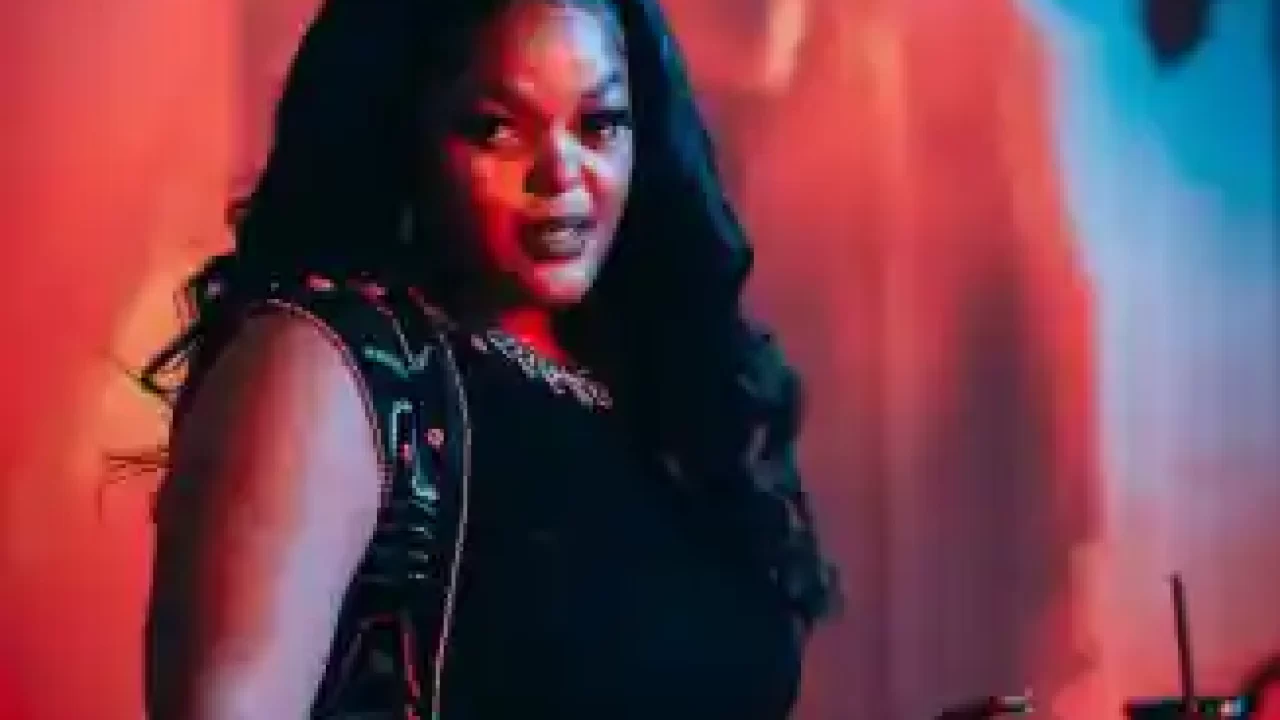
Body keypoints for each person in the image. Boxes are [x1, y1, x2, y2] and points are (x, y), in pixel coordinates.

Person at [140, 0, 839, 718]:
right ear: (403, 128)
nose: (561, 172)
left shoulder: (662, 383)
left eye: (599, 124)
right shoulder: (330, 365)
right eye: (498, 129)